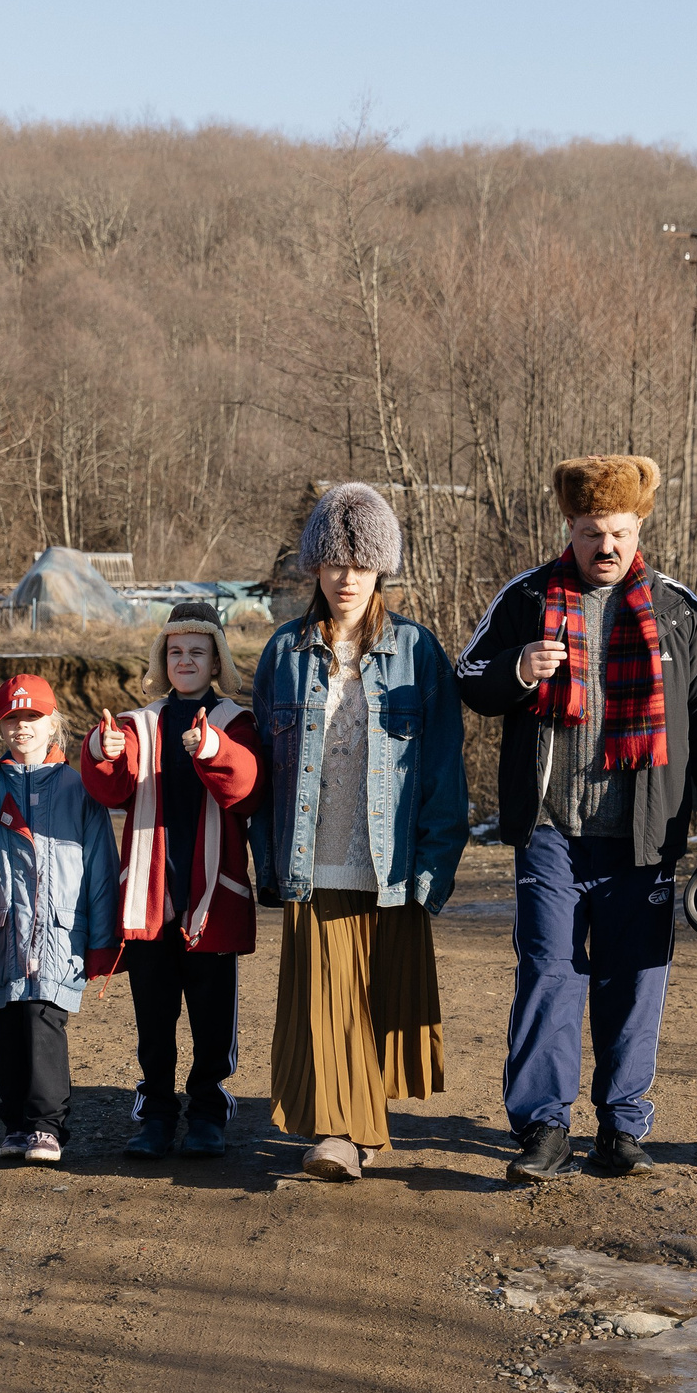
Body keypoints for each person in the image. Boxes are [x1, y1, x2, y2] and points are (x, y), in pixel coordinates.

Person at [453, 455, 697, 1182]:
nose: (605, 547)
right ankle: (544, 1129)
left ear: (639, 527)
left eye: (618, 532)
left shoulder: (677, 610)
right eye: (591, 533)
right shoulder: (527, 599)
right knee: (549, 974)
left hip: (643, 835)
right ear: (571, 530)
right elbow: (467, 676)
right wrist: (519, 671)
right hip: (550, 830)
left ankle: (621, 1128)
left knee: (634, 980)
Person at [251, 482, 468, 1182]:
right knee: (324, 1008)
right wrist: (267, 862)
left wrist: (434, 868)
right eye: (334, 563)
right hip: (312, 863)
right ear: (314, 567)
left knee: (375, 1004)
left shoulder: (417, 652)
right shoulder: (283, 651)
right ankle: (340, 1135)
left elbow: (442, 770)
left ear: (382, 571)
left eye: (362, 563)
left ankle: (363, 1125)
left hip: (390, 865)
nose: (347, 578)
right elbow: (260, 773)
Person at [81, 601, 266, 1160]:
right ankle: (157, 1111)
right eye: (176, 651)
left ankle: (209, 1110)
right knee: (154, 1023)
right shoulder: (138, 723)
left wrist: (212, 750)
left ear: (216, 661)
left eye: (197, 652)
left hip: (211, 898)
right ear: (164, 659)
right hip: (151, 898)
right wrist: (103, 751)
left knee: (213, 1021)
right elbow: (109, 789)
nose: (185, 661)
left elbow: (250, 789)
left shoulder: (237, 721)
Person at [0, 674, 120, 1165]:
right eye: (11, 719)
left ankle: (47, 1126)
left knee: (45, 1022)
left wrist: (103, 939)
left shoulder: (79, 788)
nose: (21, 727)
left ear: (53, 725)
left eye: (32, 718)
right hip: (1, 933)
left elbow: (101, 866)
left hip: (61, 934)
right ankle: (17, 1124)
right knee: (7, 1026)